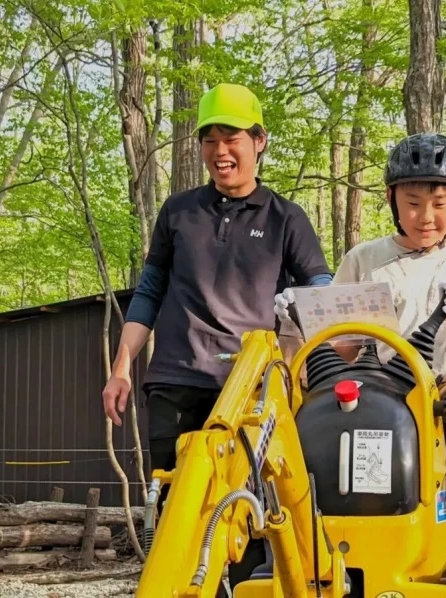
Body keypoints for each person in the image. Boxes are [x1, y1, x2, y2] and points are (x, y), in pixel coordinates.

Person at [102, 82, 332, 590]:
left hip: (249, 393)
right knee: (173, 515)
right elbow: (148, 292)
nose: (220, 151)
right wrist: (120, 370)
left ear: (259, 141)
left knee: (242, 518)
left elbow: (319, 284)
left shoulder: (286, 218)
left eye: (231, 138)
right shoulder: (178, 212)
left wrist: (318, 311)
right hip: (175, 380)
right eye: (209, 140)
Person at [275, 132, 446, 596]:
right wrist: (298, 320)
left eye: (439, 203)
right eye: (412, 203)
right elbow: (341, 345)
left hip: (445, 386)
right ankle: (299, 542)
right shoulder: (364, 259)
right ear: (391, 199)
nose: (425, 217)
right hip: (375, 383)